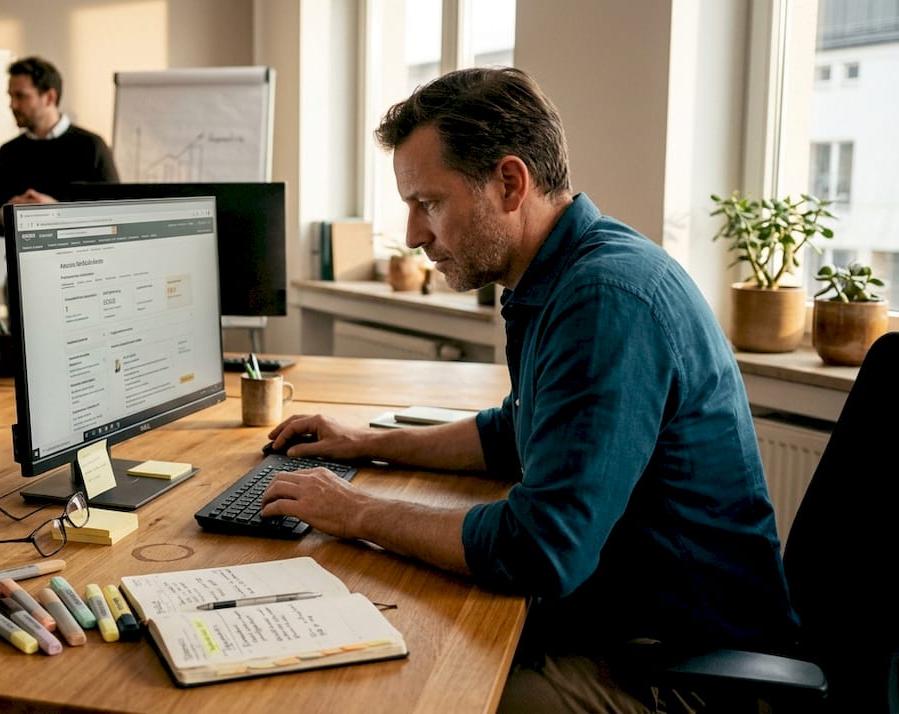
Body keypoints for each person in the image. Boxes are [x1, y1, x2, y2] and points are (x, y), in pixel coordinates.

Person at [259, 67, 797, 713]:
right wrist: (366, 443)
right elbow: (514, 432)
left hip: (684, 668)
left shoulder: (606, 299)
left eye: (429, 203)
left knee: (411, 695)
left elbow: (541, 550)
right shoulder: (566, 273)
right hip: (623, 624)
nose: (413, 235)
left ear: (510, 183)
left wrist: (357, 513)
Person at [0, 56, 119, 236]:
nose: (12, 105)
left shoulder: (92, 146)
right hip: (24, 254)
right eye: (10, 96)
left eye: (21, 96)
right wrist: (8, 212)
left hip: (81, 252)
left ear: (49, 97)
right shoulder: (8, 152)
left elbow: (115, 216)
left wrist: (56, 212)